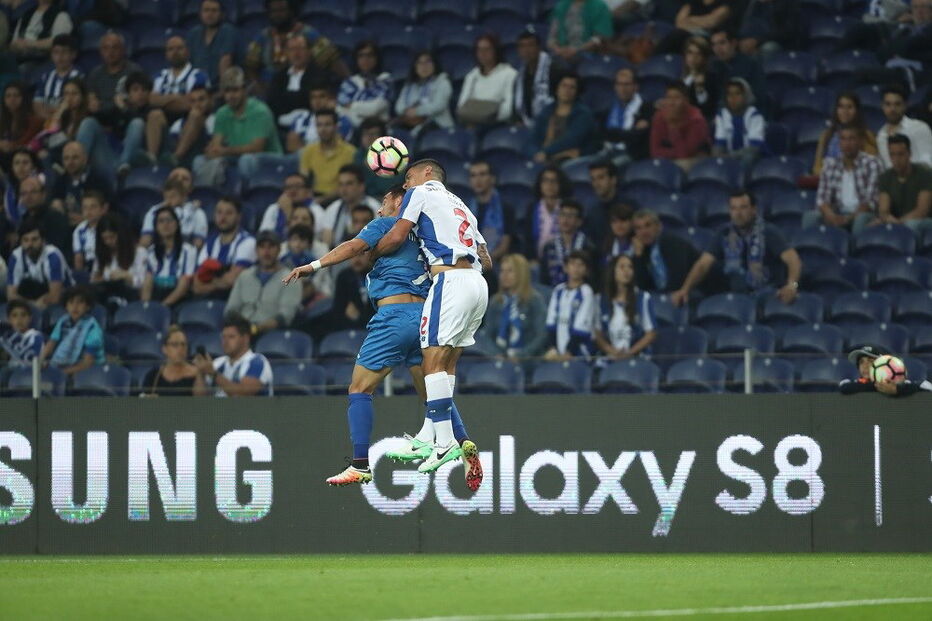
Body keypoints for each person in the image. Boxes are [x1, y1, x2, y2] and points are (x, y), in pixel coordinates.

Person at [282, 186, 436, 486]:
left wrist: (313, 265)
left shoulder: (385, 225)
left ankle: (360, 464)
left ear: (398, 201)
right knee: (433, 394)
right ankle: (459, 442)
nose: (380, 209)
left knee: (359, 388)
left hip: (394, 317)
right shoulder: (428, 236)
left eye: (384, 201)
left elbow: (352, 246)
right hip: (425, 318)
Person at [371, 159, 491, 486]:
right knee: (447, 362)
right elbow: (487, 257)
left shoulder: (421, 192)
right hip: (478, 284)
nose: (405, 186)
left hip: (449, 280)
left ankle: (445, 442)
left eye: (407, 179)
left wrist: (371, 253)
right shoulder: (462, 205)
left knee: (431, 362)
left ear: (426, 175)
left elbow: (397, 235)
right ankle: (428, 435)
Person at [671, 191, 802, 306]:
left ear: (754, 209)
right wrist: (685, 289)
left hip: (768, 294)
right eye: (733, 208)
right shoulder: (724, 233)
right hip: (736, 296)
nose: (738, 213)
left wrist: (792, 286)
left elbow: (794, 260)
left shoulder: (769, 232)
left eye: (743, 208)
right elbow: (703, 265)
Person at [194, 67, 282, 186]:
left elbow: (256, 148)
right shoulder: (222, 113)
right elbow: (216, 144)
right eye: (227, 91)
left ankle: (247, 197)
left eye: (235, 90)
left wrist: (224, 151)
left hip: (267, 160)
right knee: (199, 161)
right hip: (235, 157)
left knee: (246, 160)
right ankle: (207, 199)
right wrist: (213, 151)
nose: (230, 96)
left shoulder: (260, 111)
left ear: (245, 90)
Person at [244, 0, 346, 84]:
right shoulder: (262, 37)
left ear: (292, 11)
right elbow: (250, 67)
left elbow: (333, 62)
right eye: (273, 11)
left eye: (281, 10)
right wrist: (258, 88)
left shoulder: (309, 34)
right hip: (268, 90)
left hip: (301, 88)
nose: (277, 15)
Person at [146, 36, 211, 164]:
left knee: (196, 114)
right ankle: (151, 159)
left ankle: (176, 157)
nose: (175, 52)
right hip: (166, 122)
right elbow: (152, 100)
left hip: (191, 124)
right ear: (166, 54)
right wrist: (177, 98)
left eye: (179, 48)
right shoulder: (159, 76)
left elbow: (192, 104)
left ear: (187, 51)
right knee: (154, 115)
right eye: (171, 49)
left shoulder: (198, 75)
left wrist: (163, 100)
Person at [809, 125, 884, 233]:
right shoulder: (830, 165)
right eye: (843, 139)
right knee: (811, 217)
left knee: (861, 219)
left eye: (851, 139)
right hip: (838, 212)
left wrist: (848, 219)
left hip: (863, 214)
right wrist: (831, 216)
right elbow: (822, 199)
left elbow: (870, 202)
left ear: (860, 142)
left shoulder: (872, 163)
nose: (847, 143)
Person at [226, 231, 301, 336]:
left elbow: (285, 317)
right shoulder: (245, 276)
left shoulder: (291, 278)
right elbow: (231, 310)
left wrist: (256, 329)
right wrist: (243, 328)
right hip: (242, 333)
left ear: (279, 249)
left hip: (271, 335)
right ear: (256, 250)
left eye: (271, 246)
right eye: (262, 247)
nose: (266, 251)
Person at [43, 78, 115, 185]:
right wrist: (59, 113)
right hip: (72, 166)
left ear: (82, 97)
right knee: (44, 156)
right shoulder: (64, 120)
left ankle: (74, 177)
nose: (69, 98)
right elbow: (49, 141)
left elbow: (109, 120)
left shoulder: (90, 115)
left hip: (97, 164)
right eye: (66, 94)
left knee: (88, 123)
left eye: (74, 93)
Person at [484, 253, 548, 363]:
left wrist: (521, 355)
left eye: (510, 271)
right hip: (500, 362)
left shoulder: (534, 300)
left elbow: (541, 335)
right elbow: (487, 335)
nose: (504, 275)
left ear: (521, 274)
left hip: (529, 362)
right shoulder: (496, 302)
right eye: (502, 271)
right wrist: (497, 354)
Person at [194, 313, 273, 397]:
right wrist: (201, 372)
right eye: (223, 337)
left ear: (246, 338)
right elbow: (199, 398)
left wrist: (213, 374)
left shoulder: (257, 362)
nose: (225, 341)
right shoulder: (217, 363)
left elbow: (241, 395)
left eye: (231, 337)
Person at [594, 254, 657, 360]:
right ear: (613, 271)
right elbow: (597, 334)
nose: (627, 270)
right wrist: (612, 351)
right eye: (622, 267)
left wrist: (630, 352)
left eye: (630, 267)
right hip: (608, 358)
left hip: (637, 358)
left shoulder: (643, 298)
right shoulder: (600, 300)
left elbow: (651, 333)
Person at [192, 196, 256, 298]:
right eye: (219, 212)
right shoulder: (210, 243)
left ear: (239, 217)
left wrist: (209, 281)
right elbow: (197, 284)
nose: (223, 217)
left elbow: (232, 280)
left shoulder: (248, 242)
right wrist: (219, 281)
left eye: (228, 213)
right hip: (208, 297)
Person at [527, 73, 596, 163]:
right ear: (557, 88)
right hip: (543, 157)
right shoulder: (546, 111)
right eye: (564, 86)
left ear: (577, 91)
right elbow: (534, 138)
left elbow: (571, 140)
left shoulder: (583, 114)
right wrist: (536, 154)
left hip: (570, 161)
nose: (567, 90)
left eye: (572, 87)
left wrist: (545, 152)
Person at [630, 209, 700, 293]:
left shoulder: (672, 243)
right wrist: (638, 256)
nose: (644, 232)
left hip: (695, 293)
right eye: (638, 228)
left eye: (648, 225)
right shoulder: (642, 251)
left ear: (659, 226)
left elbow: (678, 281)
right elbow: (643, 286)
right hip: (664, 298)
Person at [139, 206, 198, 307]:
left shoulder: (189, 251)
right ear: (156, 227)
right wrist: (146, 306)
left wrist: (162, 307)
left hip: (178, 300)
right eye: (161, 221)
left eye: (169, 220)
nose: (165, 224)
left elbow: (183, 286)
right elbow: (147, 283)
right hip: (156, 295)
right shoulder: (151, 251)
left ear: (177, 224)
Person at [6, 218, 70, 309]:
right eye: (25, 240)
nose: (30, 244)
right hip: (31, 301)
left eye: (34, 239)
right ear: (21, 242)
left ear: (43, 240)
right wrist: (32, 305)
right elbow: (11, 296)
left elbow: (55, 297)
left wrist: (32, 305)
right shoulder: (16, 257)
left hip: (63, 299)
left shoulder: (53, 256)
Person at [40, 285, 104, 376]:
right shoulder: (63, 321)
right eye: (71, 302)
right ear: (66, 306)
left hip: (88, 372)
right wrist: (39, 363)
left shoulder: (93, 329)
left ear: (88, 307)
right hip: (63, 368)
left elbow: (87, 364)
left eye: (80, 302)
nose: (75, 306)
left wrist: (60, 373)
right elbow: (50, 345)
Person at [543, 250, 595, 360]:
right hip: (558, 351)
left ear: (586, 270)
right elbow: (551, 321)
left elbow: (581, 325)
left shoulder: (586, 292)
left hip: (579, 351)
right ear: (565, 268)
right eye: (572, 264)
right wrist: (554, 348)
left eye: (580, 265)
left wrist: (569, 352)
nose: (576, 268)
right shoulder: (558, 290)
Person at [875, 134, 932, 233]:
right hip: (897, 221)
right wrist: (887, 218)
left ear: (909, 154)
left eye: (900, 154)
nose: (896, 160)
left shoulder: (924, 173)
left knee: (911, 225)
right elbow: (884, 210)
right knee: (868, 223)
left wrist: (898, 223)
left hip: (922, 221)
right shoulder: (885, 177)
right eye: (892, 155)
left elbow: (922, 211)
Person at [86, 32, 143, 130]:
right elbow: (91, 97)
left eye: (115, 47)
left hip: (126, 120)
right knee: (87, 123)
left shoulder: (134, 71)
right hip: (101, 121)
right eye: (106, 48)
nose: (110, 52)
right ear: (100, 52)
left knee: (137, 124)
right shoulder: (95, 74)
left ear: (123, 50)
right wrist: (91, 102)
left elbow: (140, 101)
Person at [457, 34, 518, 126]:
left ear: (496, 51)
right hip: (472, 122)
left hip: (497, 124)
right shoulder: (472, 75)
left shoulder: (510, 74)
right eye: (479, 50)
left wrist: (487, 119)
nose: (483, 53)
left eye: (487, 49)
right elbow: (462, 105)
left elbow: (508, 108)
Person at [813, 92, 879, 176]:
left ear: (857, 111)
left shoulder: (865, 135)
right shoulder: (826, 135)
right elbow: (816, 168)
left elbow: (870, 166)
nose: (845, 111)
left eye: (849, 107)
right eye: (841, 107)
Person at [649, 82, 710, 172]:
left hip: (695, 160)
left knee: (681, 165)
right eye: (669, 98)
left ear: (686, 100)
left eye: (676, 98)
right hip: (668, 160)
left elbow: (685, 153)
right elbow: (654, 151)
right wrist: (671, 153)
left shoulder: (697, 120)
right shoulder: (659, 116)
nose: (671, 103)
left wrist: (673, 127)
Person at [314, 164, 378, 248]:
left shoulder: (375, 208)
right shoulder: (333, 209)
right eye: (341, 184)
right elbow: (327, 243)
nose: (344, 189)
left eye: (349, 184)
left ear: (361, 186)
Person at [298, 109, 357, 202]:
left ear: (336, 126)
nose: (323, 129)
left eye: (327, 124)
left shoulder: (350, 152)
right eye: (319, 125)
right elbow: (302, 181)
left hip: (341, 198)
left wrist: (323, 199)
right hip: (315, 198)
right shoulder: (309, 151)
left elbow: (351, 184)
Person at [139, 171, 208, 248]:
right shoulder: (154, 211)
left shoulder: (197, 213)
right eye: (166, 197)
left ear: (183, 196)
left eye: (173, 196)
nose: (169, 200)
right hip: (159, 251)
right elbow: (146, 239)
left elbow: (198, 243)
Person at [91, 213, 147, 307]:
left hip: (131, 300)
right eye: (105, 238)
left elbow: (145, 283)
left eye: (112, 237)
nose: (108, 242)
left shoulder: (139, 253)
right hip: (107, 299)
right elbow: (94, 279)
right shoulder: (101, 256)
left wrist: (127, 277)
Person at [49, 141, 112, 226]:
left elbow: (109, 210)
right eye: (66, 158)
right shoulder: (60, 181)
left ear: (85, 159)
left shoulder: (99, 180)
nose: (70, 162)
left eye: (75, 158)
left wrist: (86, 219)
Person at [393, 50, 453, 136]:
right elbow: (399, 106)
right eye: (420, 63)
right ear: (415, 67)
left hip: (436, 123)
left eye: (427, 62)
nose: (424, 66)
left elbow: (439, 105)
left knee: (421, 133)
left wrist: (417, 111)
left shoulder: (442, 81)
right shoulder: (409, 85)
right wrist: (407, 112)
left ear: (434, 64)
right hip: (410, 121)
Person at [267, 34, 324, 123]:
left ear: (309, 51)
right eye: (292, 49)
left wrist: (285, 98)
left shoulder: (318, 74)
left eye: (301, 48)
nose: (296, 53)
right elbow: (272, 101)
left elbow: (308, 100)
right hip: (279, 125)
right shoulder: (279, 76)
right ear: (286, 53)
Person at [709, 28, 767, 115]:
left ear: (733, 43)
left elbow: (759, 95)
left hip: (746, 114)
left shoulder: (750, 64)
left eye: (722, 43)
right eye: (714, 44)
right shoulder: (712, 66)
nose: (718, 48)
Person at [467, 160, 515, 261]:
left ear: (492, 179)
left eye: (482, 174)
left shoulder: (505, 207)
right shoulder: (464, 207)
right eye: (473, 175)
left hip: (495, 261)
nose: (478, 180)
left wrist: (485, 261)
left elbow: (504, 246)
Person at [712, 78, 766, 168]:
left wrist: (730, 156)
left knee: (748, 157)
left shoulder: (754, 116)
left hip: (752, 159)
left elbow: (754, 148)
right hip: (728, 157)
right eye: (729, 94)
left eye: (737, 94)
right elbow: (719, 144)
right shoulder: (722, 115)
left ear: (746, 96)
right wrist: (717, 155)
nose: (733, 98)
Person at [338, 40, 392, 128]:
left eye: (370, 55)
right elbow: (340, 110)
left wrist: (352, 106)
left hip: (380, 131)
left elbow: (375, 108)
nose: (365, 59)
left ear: (376, 58)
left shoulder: (385, 79)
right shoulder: (349, 82)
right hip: (353, 131)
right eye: (361, 56)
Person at [839, 344, 932, 396]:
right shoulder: (851, 384)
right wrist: (883, 388)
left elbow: (927, 387)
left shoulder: (902, 384)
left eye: (870, 361)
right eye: (861, 362)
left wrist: (897, 389)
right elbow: (844, 387)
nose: (865, 365)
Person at [602, 68, 653, 163]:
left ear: (636, 86)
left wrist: (615, 134)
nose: (622, 88)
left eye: (626, 84)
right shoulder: (609, 106)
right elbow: (602, 132)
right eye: (619, 84)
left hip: (630, 155)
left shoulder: (646, 108)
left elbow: (637, 137)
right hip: (608, 150)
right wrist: (624, 134)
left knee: (607, 168)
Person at [524, 165, 573, 262]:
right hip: (537, 261)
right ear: (540, 184)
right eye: (545, 181)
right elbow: (528, 239)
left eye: (554, 181)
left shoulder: (568, 208)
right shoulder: (532, 209)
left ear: (560, 184)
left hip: (565, 260)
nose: (549, 185)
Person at [541, 200, 596, 286]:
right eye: (562, 214)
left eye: (570, 216)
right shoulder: (549, 246)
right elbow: (544, 279)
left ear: (579, 221)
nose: (565, 219)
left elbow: (592, 278)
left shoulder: (588, 247)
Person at [284, 84, 352, 154]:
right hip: (304, 157)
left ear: (331, 99)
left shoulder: (343, 120)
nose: (317, 101)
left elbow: (338, 142)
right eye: (313, 97)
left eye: (322, 96)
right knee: (292, 137)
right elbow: (291, 145)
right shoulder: (300, 119)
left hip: (332, 156)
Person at [876, 85, 932, 169]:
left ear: (905, 105)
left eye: (897, 104)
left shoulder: (919, 128)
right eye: (888, 104)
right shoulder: (881, 136)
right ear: (882, 106)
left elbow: (928, 161)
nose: (892, 109)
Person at [140, 326, 206, 397]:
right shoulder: (153, 376)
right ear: (164, 349)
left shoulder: (196, 374)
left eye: (183, 344)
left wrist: (200, 374)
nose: (180, 349)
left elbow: (201, 403)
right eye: (175, 345)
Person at [17, 176, 71, 261]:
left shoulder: (56, 218)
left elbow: (57, 250)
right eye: (24, 193)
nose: (28, 196)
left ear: (43, 194)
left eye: (33, 192)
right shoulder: (24, 219)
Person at [185, 0, 235, 89]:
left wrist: (223, 90)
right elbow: (188, 63)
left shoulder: (227, 31)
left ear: (221, 14)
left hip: (219, 87)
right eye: (206, 10)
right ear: (200, 13)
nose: (210, 14)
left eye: (214, 11)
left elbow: (225, 62)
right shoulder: (193, 34)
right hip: (196, 87)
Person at [513, 28, 557, 127]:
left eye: (530, 45)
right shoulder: (519, 74)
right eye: (522, 46)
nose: (526, 50)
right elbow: (516, 105)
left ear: (539, 48)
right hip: (527, 124)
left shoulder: (554, 69)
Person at [546, 0, 613, 64]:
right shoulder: (562, 5)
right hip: (560, 51)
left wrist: (576, 49)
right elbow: (551, 37)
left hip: (585, 52)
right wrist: (557, 49)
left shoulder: (599, 6)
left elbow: (599, 38)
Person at [9, 0, 73, 66]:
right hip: (18, 56)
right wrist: (16, 45)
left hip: (40, 60)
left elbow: (59, 42)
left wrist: (30, 44)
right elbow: (14, 41)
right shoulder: (26, 14)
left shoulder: (62, 16)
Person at [32, 34, 80, 119]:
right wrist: (51, 119)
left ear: (73, 54)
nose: (60, 56)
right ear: (51, 55)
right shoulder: (45, 77)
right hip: (47, 122)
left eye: (64, 52)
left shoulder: (79, 77)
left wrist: (54, 113)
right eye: (56, 52)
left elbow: (74, 107)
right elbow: (37, 105)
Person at [167, 85, 215, 170]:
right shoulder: (178, 123)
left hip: (204, 163)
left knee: (195, 116)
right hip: (181, 166)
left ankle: (176, 157)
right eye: (193, 101)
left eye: (201, 99)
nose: (197, 104)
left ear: (210, 100)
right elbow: (171, 146)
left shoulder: (216, 121)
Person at [280, 223, 332, 301]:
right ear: (289, 242)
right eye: (295, 239)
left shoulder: (313, 261)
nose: (298, 243)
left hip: (310, 295)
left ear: (309, 244)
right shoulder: (283, 260)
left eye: (302, 240)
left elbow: (315, 282)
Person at [259, 172, 318, 239]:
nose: (293, 190)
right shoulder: (274, 208)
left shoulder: (316, 210)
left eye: (298, 186)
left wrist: (288, 216)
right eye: (288, 187)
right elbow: (264, 237)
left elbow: (316, 239)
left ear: (308, 191)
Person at [0, 81, 43, 166]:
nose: (12, 99)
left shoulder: (34, 121)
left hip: (26, 158)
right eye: (8, 96)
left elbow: (25, 142)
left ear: (23, 98)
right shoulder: (2, 119)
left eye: (16, 95)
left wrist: (7, 145)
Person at [681, 36, 721, 122]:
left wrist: (700, 88)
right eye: (690, 53)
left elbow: (706, 109)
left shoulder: (711, 79)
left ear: (704, 58)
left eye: (698, 54)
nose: (693, 57)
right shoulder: (681, 78)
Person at [585, 160, 623, 245]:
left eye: (601, 178)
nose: (596, 184)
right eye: (593, 179)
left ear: (613, 180)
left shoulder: (629, 207)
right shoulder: (592, 213)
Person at [0, 300, 44, 368]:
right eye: (14, 316)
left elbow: (33, 360)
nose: (19, 319)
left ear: (30, 318)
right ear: (9, 319)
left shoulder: (36, 336)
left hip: (28, 374)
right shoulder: (7, 335)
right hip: (10, 372)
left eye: (23, 315)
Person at [72, 190, 108, 272]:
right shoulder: (79, 231)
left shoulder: (109, 227)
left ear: (102, 209)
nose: (88, 211)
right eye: (85, 207)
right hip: (89, 268)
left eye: (93, 207)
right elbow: (78, 259)